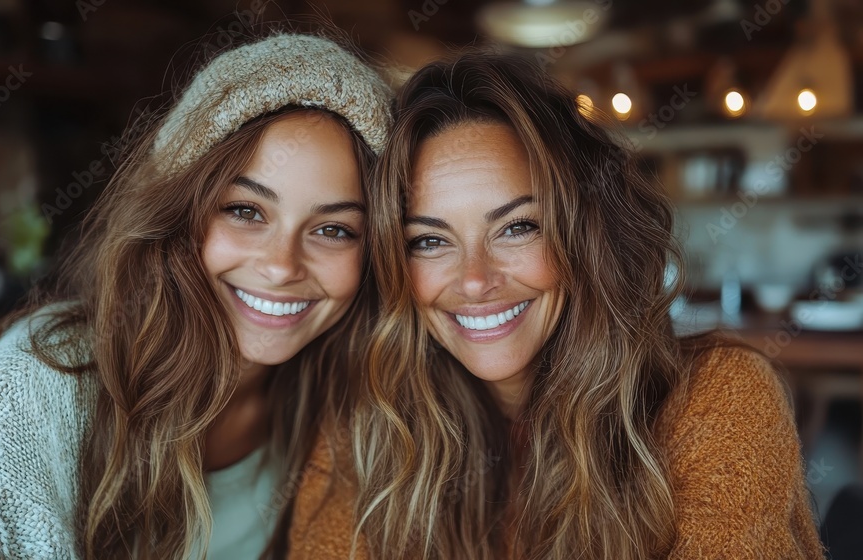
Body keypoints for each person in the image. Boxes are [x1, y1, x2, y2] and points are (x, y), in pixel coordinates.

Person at [289, 50, 825, 559]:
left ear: (585, 236)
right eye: (428, 241)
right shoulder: (367, 424)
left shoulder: (713, 401)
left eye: (518, 228)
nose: (475, 281)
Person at [0, 33, 390, 560]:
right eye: (245, 211)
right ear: (176, 215)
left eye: (334, 230)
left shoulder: (348, 401)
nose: (282, 265)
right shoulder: (41, 382)